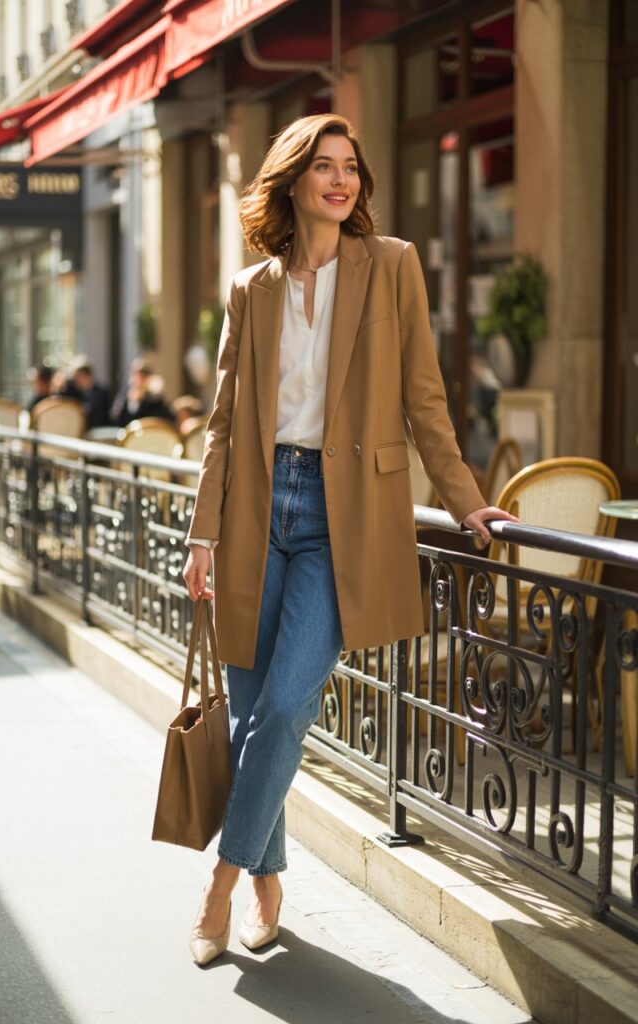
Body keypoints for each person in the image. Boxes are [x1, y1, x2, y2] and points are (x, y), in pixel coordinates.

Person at [181, 113, 518, 967]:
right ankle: (268, 884)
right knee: (257, 716)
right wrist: (203, 535)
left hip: (345, 519)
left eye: (350, 168)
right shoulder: (249, 288)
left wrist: (467, 501)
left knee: (288, 706)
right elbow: (221, 425)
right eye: (322, 167)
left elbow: (424, 401)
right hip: (260, 513)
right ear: (290, 181)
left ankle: (220, 883)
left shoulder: (393, 266)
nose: (340, 181)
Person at [110, 357, 175, 427]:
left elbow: (167, 417)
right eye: (136, 374)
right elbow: (115, 417)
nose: (139, 378)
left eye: (144, 374)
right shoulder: (125, 395)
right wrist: (132, 403)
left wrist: (145, 399)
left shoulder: (155, 397)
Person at [59, 356, 112, 429]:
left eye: (77, 377)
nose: (75, 381)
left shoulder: (101, 392)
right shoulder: (74, 392)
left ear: (85, 375)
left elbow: (98, 415)